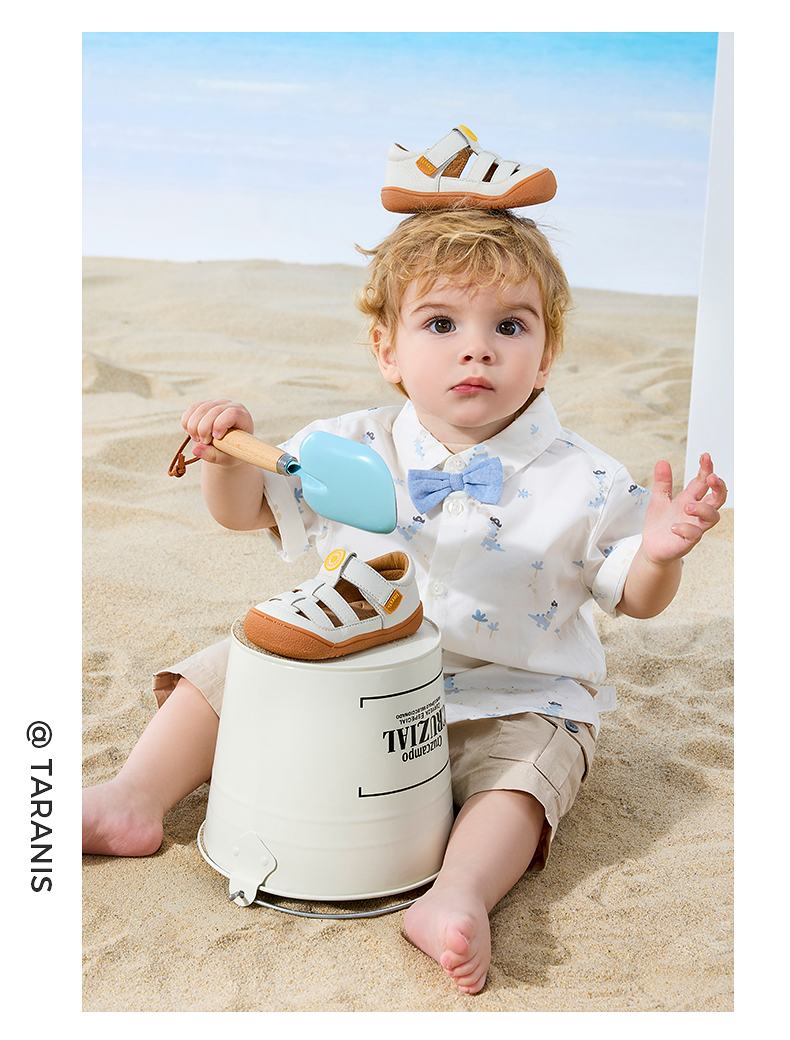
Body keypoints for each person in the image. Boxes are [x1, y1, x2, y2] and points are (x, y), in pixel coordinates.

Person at [82, 208, 727, 994]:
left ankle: (458, 894)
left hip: (507, 690)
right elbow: (246, 511)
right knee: (236, 667)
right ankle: (133, 799)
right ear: (387, 349)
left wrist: (659, 553)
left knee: (528, 771)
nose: (476, 348)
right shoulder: (347, 448)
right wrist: (227, 458)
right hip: (354, 668)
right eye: (441, 323)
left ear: (547, 355)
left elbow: (637, 596)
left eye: (511, 326)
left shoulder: (586, 478)